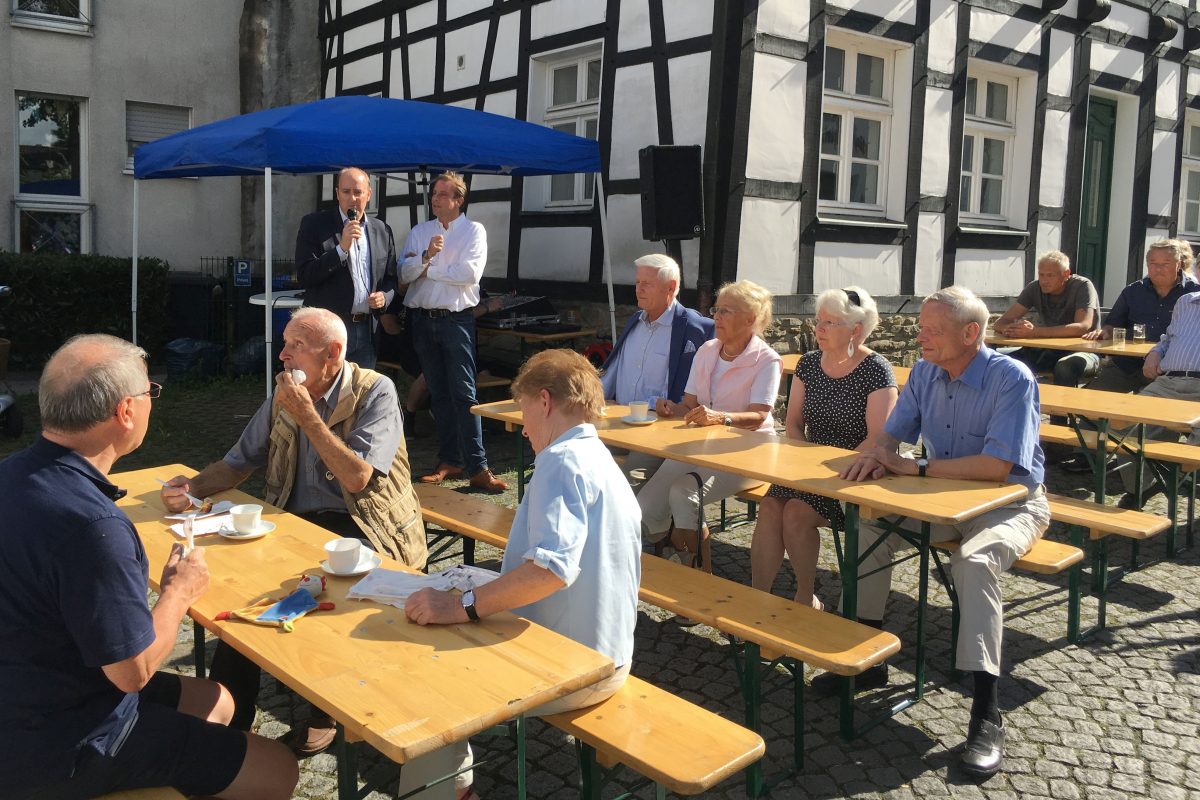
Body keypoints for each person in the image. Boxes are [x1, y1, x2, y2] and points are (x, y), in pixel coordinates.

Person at [0, 334, 298, 800]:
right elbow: (131, 673)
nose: (151, 401)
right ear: (125, 412)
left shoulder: (12, 474)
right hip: (54, 742)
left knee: (216, 699)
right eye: (149, 392)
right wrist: (178, 592)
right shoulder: (92, 527)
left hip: (40, 683)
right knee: (278, 768)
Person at [161, 306, 424, 756]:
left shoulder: (375, 391)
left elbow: (358, 478)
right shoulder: (284, 395)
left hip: (366, 527)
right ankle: (226, 726)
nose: (282, 355)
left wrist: (308, 416)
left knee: (315, 596)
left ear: (333, 353)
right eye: (284, 343)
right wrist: (191, 488)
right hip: (296, 521)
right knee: (240, 603)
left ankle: (326, 707)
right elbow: (239, 461)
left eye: (295, 346)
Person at [405, 348, 642, 800]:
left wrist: (461, 606)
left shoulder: (562, 460)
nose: (522, 426)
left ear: (545, 402)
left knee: (428, 677)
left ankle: (447, 792)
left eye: (524, 412)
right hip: (610, 655)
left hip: (574, 668)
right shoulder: (601, 459)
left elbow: (550, 570)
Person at [834, 286, 1050, 779]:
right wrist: (876, 451)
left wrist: (918, 468)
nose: (920, 337)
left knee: (974, 562)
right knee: (870, 523)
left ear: (971, 333)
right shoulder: (927, 371)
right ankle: (869, 656)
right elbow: (894, 432)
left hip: (1012, 503)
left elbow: (998, 467)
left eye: (931, 330)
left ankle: (986, 711)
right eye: (921, 327)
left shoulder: (1011, 378)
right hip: (944, 499)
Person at [751, 288, 897, 609]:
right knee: (771, 506)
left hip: (854, 472)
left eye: (830, 322)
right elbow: (792, 425)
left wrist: (832, 469)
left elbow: (878, 438)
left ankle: (805, 597)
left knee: (796, 512)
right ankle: (758, 599)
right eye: (819, 321)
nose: (819, 328)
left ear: (855, 330)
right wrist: (806, 463)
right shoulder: (809, 363)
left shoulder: (876, 370)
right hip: (808, 466)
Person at [638, 279, 781, 570]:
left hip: (748, 452)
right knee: (647, 504)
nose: (716, 316)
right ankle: (681, 550)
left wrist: (721, 417)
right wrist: (670, 408)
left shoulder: (767, 359)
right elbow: (689, 406)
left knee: (683, 494)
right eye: (717, 309)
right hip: (701, 446)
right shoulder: (706, 350)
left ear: (750, 319)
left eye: (727, 311)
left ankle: (699, 572)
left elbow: (759, 417)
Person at [400, 170, 507, 493]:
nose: (435, 198)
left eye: (443, 194)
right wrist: (426, 257)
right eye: (434, 193)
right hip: (422, 319)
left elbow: (469, 274)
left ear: (459, 200)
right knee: (439, 392)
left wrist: (427, 267)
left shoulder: (474, 231)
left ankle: (479, 466)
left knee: (464, 394)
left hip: (456, 321)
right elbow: (404, 273)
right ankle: (450, 460)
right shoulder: (420, 232)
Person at [601, 253, 714, 487]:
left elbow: (701, 392)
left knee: (628, 479)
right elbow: (613, 370)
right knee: (570, 452)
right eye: (637, 283)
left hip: (660, 430)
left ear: (670, 288)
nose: (639, 290)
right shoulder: (636, 321)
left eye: (647, 284)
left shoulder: (694, 327)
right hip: (619, 422)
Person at [296, 166, 398, 368]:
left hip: (367, 329)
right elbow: (305, 275)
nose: (352, 198)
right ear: (337, 194)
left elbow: (391, 277)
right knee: (326, 394)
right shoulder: (314, 224)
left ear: (369, 194)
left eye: (358, 192)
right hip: (328, 331)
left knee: (360, 394)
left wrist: (384, 297)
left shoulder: (382, 230)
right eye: (346, 192)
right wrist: (341, 249)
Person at [1114, 289, 1200, 508]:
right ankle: (1141, 488)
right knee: (1124, 423)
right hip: (1168, 382)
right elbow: (1168, 339)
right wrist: (1155, 352)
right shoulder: (1186, 301)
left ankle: (1182, 474)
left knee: (1194, 449)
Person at [1082, 239, 1199, 394]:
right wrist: (1106, 331)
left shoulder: (1192, 295)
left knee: (1150, 408)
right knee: (1090, 401)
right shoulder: (1133, 291)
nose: (1158, 268)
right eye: (1153, 263)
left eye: (1165, 264)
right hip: (1128, 364)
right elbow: (1113, 324)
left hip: (1164, 370)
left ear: (1178, 265)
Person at [993, 249, 1101, 386]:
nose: (1044, 281)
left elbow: (1082, 327)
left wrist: (1034, 332)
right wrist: (1013, 329)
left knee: (1065, 368)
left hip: (1083, 351)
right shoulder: (1034, 288)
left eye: (1050, 276)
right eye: (1041, 275)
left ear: (1066, 274)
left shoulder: (1083, 286)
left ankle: (1062, 408)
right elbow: (1000, 323)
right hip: (1046, 350)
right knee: (993, 359)